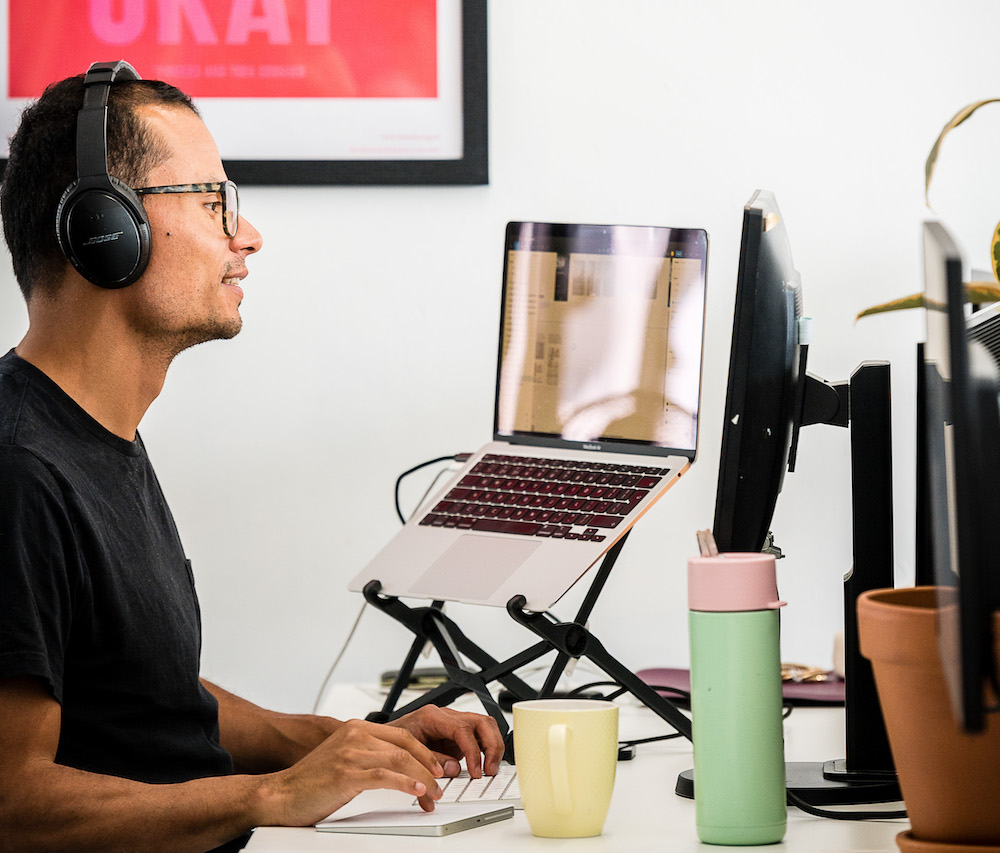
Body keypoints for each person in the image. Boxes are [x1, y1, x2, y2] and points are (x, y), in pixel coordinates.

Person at [0, 63, 503, 853]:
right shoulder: (20, 469)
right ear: (105, 230)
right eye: (212, 202)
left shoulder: (94, 439)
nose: (248, 235)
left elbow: (144, 695)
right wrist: (272, 795)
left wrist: (353, 739)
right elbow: (11, 801)